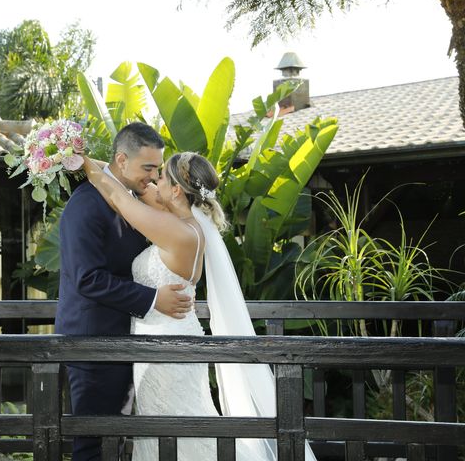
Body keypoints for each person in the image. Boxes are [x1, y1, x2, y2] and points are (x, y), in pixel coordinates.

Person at [82, 151, 318, 461]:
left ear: (178, 189)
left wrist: (70, 155)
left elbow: (116, 194)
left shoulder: (176, 231)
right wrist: (82, 155)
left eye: (162, 177)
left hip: (164, 346)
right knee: (177, 426)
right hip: (170, 336)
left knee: (171, 428)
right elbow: (125, 180)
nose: (155, 180)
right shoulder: (184, 221)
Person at [55, 122, 194, 461]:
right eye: (148, 167)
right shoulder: (85, 204)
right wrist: (151, 298)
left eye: (157, 168)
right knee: (92, 445)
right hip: (91, 344)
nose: (153, 175)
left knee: (114, 443)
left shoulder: (130, 199)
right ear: (121, 159)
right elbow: (87, 278)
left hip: (123, 341)